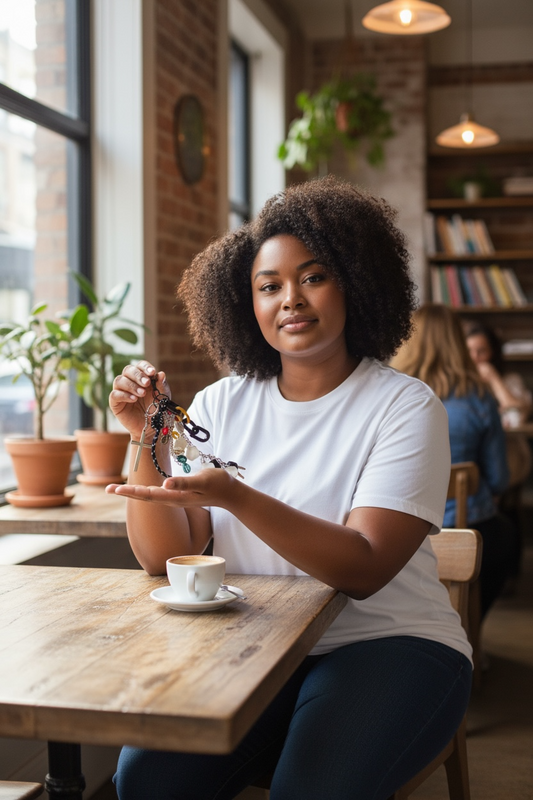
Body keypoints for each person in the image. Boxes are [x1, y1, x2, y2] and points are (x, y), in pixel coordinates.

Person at [107, 178, 472, 800]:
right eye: (269, 286)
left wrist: (236, 496)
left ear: (356, 282)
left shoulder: (406, 406)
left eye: (314, 277)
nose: (291, 300)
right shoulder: (222, 402)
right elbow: (161, 554)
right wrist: (147, 437)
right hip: (254, 642)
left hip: (388, 641)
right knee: (145, 781)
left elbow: (364, 567)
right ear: (245, 304)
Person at [391, 303, 516, 620]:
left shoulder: (387, 395)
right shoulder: (480, 397)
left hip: (398, 529)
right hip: (466, 527)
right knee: (505, 538)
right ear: (457, 342)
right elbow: (500, 478)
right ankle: (470, 626)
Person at [463, 320, 532, 430]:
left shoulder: (511, 380)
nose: (474, 357)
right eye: (469, 351)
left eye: (481, 351)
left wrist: (494, 378)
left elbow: (517, 420)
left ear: (492, 352)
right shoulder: (459, 383)